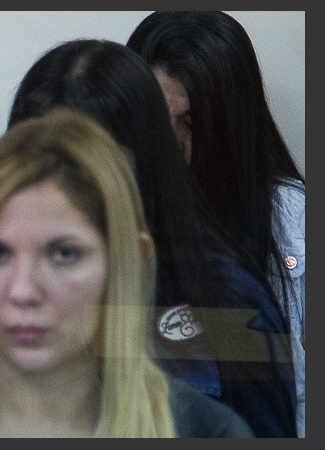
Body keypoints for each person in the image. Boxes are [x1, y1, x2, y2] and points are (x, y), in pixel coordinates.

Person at [0, 39, 296, 438]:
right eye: (43, 159)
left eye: (91, 162)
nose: (62, 183)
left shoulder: (227, 295)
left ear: (144, 164)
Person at [126, 11, 305, 436]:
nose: (173, 148)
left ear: (231, 124)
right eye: (155, 123)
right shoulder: (106, 225)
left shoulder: (295, 222)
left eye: (192, 123)